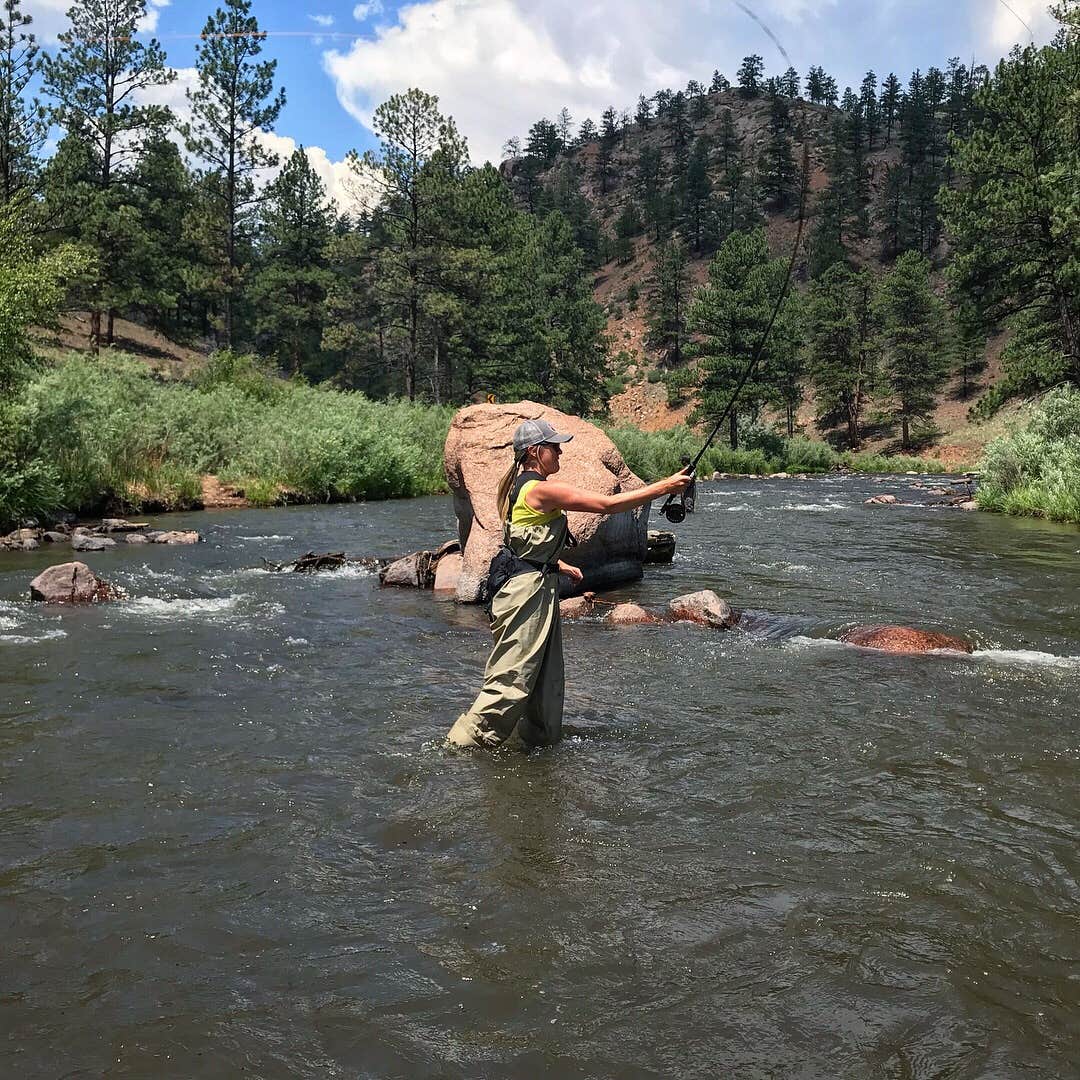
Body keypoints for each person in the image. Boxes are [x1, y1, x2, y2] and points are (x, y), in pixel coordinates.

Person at [446, 418, 692, 751]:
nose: (560, 451)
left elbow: (517, 541)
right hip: (525, 595)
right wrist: (665, 487)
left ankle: (538, 745)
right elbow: (606, 505)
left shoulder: (516, 486)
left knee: (546, 682)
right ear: (535, 452)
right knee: (512, 681)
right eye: (554, 446)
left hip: (536, 587)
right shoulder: (539, 489)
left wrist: (558, 563)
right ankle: (459, 748)